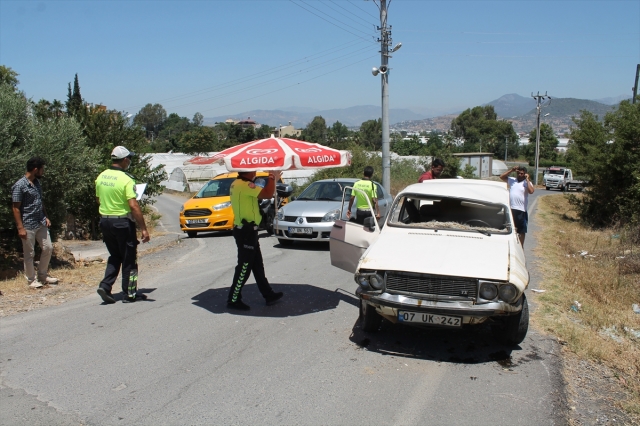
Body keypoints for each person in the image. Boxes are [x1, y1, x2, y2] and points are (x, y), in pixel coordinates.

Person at [95, 146, 150, 304]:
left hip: (105, 221)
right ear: (125, 159)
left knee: (115, 256)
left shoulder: (102, 176)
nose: (130, 162)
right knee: (129, 259)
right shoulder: (126, 179)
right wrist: (144, 228)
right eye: (129, 159)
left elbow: (98, 200)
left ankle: (105, 286)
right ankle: (130, 293)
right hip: (122, 222)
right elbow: (133, 206)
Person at [227, 170, 284, 311]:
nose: (255, 171)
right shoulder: (246, 185)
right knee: (244, 267)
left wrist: (273, 180)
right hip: (245, 231)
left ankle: (268, 294)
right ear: (247, 172)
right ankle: (233, 299)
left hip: (247, 231)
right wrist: (272, 177)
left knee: (257, 265)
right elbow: (267, 194)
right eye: (252, 169)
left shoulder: (237, 183)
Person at [11, 156, 58, 288]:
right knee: (29, 253)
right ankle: (31, 280)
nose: (43, 172)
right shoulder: (19, 185)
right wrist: (20, 227)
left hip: (40, 221)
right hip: (28, 223)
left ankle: (43, 275)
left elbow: (40, 202)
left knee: (48, 247)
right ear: (35, 169)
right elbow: (15, 208)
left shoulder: (37, 183)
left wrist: (46, 216)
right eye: (42, 169)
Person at [500, 165, 535, 246]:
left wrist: (527, 179)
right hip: (511, 209)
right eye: (518, 173)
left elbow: (531, 191)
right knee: (509, 228)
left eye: (522, 173)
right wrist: (511, 170)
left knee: (521, 230)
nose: (520, 175)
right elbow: (502, 177)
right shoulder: (512, 180)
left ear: (525, 174)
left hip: (521, 210)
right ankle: (510, 245)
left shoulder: (526, 183)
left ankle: (520, 247)